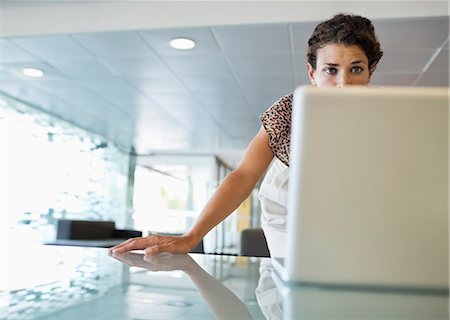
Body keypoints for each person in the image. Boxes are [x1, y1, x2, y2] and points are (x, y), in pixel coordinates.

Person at [111, 13, 383, 258]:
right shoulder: (288, 112)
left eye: (356, 68)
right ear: (312, 73)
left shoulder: (392, 114)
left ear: (371, 69)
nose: (343, 83)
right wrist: (191, 237)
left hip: (353, 213)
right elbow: (243, 176)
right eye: (330, 70)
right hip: (288, 217)